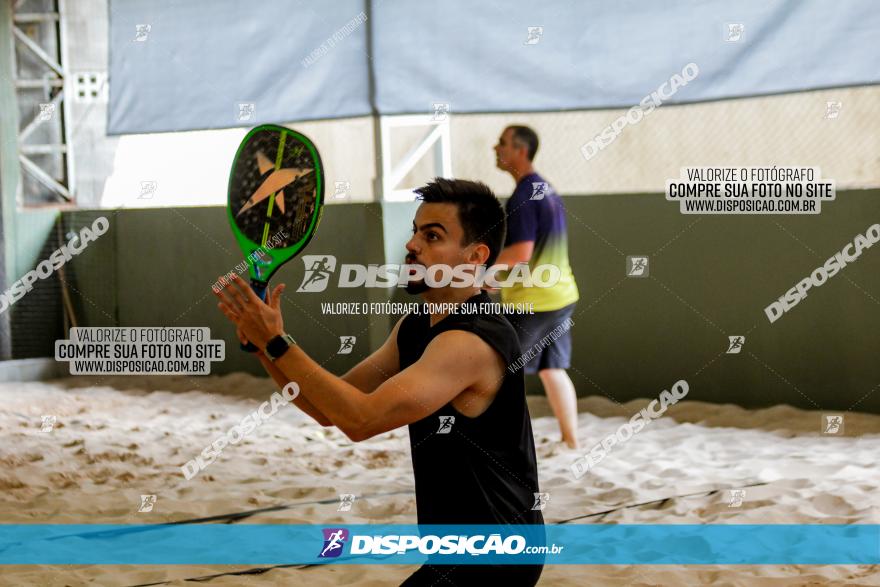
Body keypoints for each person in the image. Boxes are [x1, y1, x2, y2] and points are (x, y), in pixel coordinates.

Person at [214, 178, 544, 586]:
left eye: (433, 235)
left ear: (476, 256)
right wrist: (266, 346)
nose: (412, 246)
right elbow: (327, 408)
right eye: (415, 231)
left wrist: (277, 343)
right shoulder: (415, 327)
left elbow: (360, 419)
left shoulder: (470, 341)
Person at [493, 125, 581, 449]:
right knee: (552, 369)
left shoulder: (524, 196)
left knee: (502, 374)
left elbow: (519, 254)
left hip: (534, 301)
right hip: (562, 295)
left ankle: (508, 447)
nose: (495, 148)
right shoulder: (545, 189)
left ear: (520, 150)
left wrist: (480, 274)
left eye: (502, 143)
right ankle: (571, 441)